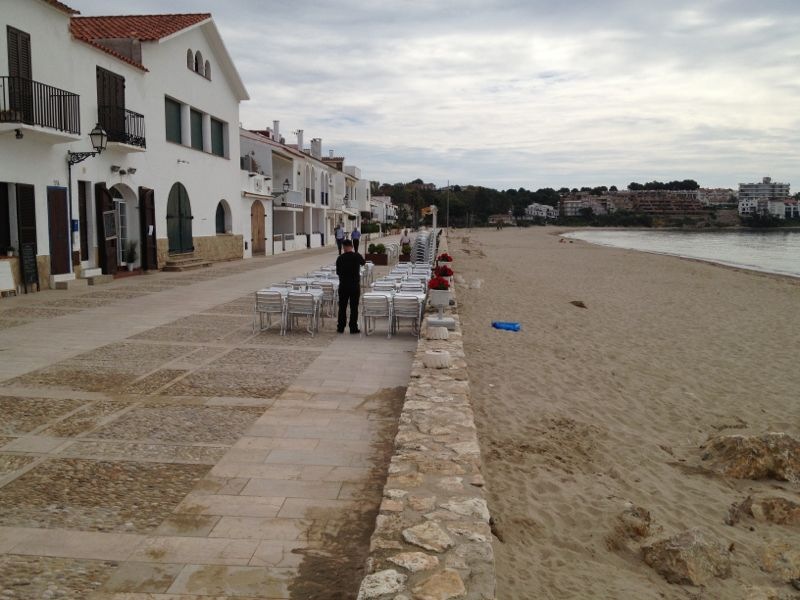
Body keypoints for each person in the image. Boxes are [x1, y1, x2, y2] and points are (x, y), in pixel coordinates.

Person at [336, 239, 365, 334]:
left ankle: (340, 327)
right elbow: (363, 262)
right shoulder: (356, 256)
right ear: (351, 246)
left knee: (342, 307)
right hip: (354, 286)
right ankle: (353, 327)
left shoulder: (340, 258)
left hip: (343, 285)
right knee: (354, 307)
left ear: (344, 247)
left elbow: (338, 272)